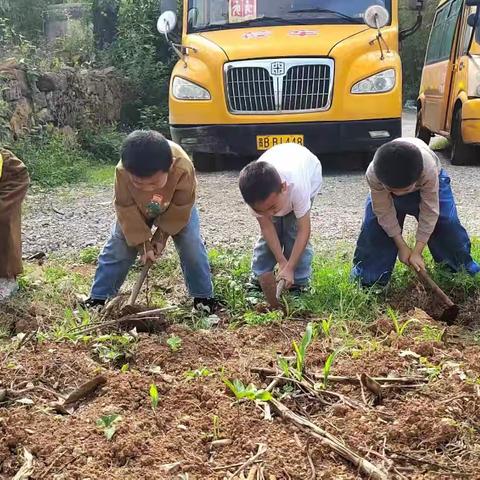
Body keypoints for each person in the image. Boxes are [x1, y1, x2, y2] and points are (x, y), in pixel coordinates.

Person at [83, 130, 215, 310]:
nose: (146, 189)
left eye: (153, 183)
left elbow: (182, 205)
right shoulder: (122, 171)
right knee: (118, 245)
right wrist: (143, 244)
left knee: (191, 242)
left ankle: (203, 298)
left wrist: (161, 237)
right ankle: (98, 298)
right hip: (136, 209)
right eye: (138, 184)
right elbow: (125, 207)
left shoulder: (182, 166)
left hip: (175, 206)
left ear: (169, 168)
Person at [352, 137, 480, 286]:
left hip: (428, 183)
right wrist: (402, 246)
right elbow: (383, 211)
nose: (400, 195)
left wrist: (417, 251)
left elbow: (430, 211)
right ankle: (369, 282)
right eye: (394, 191)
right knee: (375, 228)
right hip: (388, 189)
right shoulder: (374, 173)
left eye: (405, 190)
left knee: (446, 224)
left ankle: (460, 275)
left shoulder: (428, 169)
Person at [238, 143, 323, 290]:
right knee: (269, 235)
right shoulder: (253, 195)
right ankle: (260, 278)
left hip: (309, 171)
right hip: (281, 175)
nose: (270, 214)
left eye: (272, 207)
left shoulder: (298, 187)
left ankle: (299, 282)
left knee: (293, 231)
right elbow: (266, 227)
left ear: (283, 188)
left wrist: (290, 267)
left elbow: (304, 231)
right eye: (261, 211)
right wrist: (282, 261)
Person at [0, 149, 30, 301]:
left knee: (3, 225)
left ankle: (6, 280)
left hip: (9, 179)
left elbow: (18, 174)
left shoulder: (7, 162)